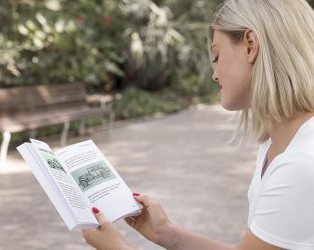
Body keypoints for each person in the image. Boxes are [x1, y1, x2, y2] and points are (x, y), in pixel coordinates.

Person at [81, 0, 314, 249]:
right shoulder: (276, 146)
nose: (214, 74)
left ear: (250, 45)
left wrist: (117, 247)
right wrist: (165, 233)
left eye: (216, 55)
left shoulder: (300, 164)